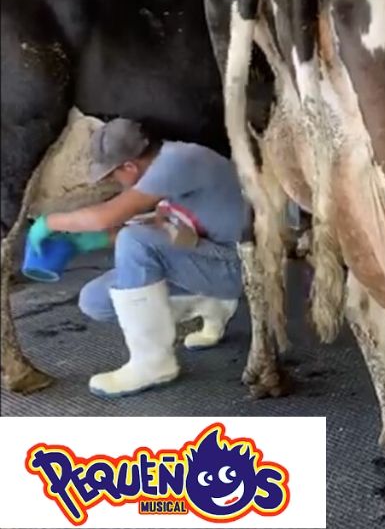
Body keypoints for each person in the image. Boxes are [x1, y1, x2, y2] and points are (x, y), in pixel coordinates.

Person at [26, 118, 248, 398]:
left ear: (129, 166)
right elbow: (160, 228)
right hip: (205, 261)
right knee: (95, 300)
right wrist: (85, 243)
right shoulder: (166, 167)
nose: (114, 182)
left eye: (113, 175)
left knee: (135, 241)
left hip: (238, 267)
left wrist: (48, 222)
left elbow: (108, 217)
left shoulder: (180, 160)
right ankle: (210, 304)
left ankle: (153, 363)